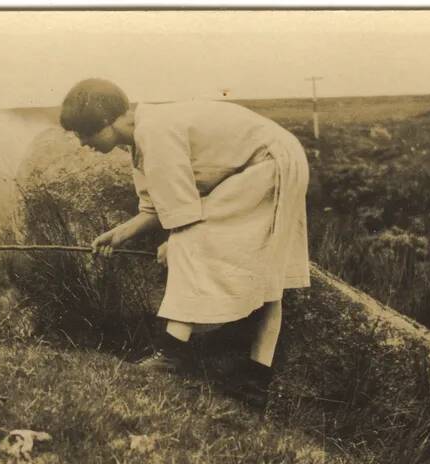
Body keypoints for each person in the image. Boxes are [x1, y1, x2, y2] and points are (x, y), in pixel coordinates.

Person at [59, 78, 311, 396]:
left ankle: (171, 355)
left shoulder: (155, 132)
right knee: (265, 272)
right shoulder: (141, 139)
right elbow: (154, 209)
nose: (83, 143)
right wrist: (118, 235)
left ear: (109, 122)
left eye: (86, 133)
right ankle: (255, 379)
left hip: (270, 163)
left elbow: (184, 216)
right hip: (275, 161)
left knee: (199, 245)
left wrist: (174, 244)